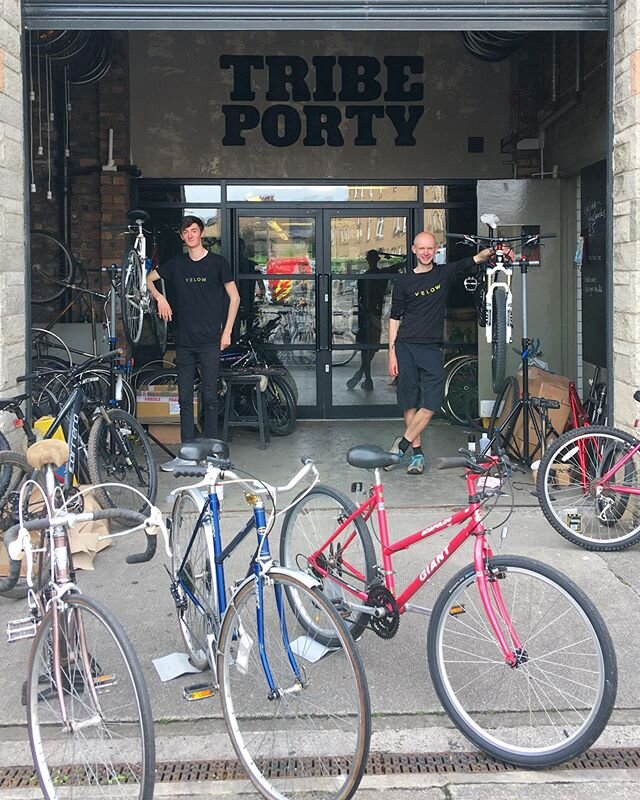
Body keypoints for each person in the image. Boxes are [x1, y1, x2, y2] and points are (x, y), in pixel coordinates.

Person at [386, 231, 494, 476]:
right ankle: (417, 455)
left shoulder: (443, 273)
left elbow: (474, 260)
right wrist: (391, 353)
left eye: (429, 248)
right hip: (405, 346)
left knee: (431, 403)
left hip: (432, 347)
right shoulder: (403, 281)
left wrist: (494, 251)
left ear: (436, 250)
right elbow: (394, 319)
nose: (425, 252)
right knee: (409, 402)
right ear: (413, 250)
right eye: (421, 248)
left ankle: (400, 446)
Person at [146, 215, 240, 471]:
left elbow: (235, 297)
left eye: (194, 231)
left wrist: (227, 332)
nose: (190, 235)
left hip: (211, 341)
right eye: (185, 231)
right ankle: (187, 455)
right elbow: (148, 279)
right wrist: (160, 299)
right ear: (181, 236)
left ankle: (211, 453)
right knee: (185, 399)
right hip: (184, 343)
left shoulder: (218, 263)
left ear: (201, 233)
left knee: (210, 397)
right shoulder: (176, 264)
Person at [346, 249, 403, 392]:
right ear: (377, 260)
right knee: (370, 348)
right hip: (374, 315)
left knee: (368, 348)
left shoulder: (365, 277)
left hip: (366, 316)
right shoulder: (381, 274)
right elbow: (398, 266)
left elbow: (360, 300)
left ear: (367, 260)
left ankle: (364, 376)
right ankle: (366, 378)